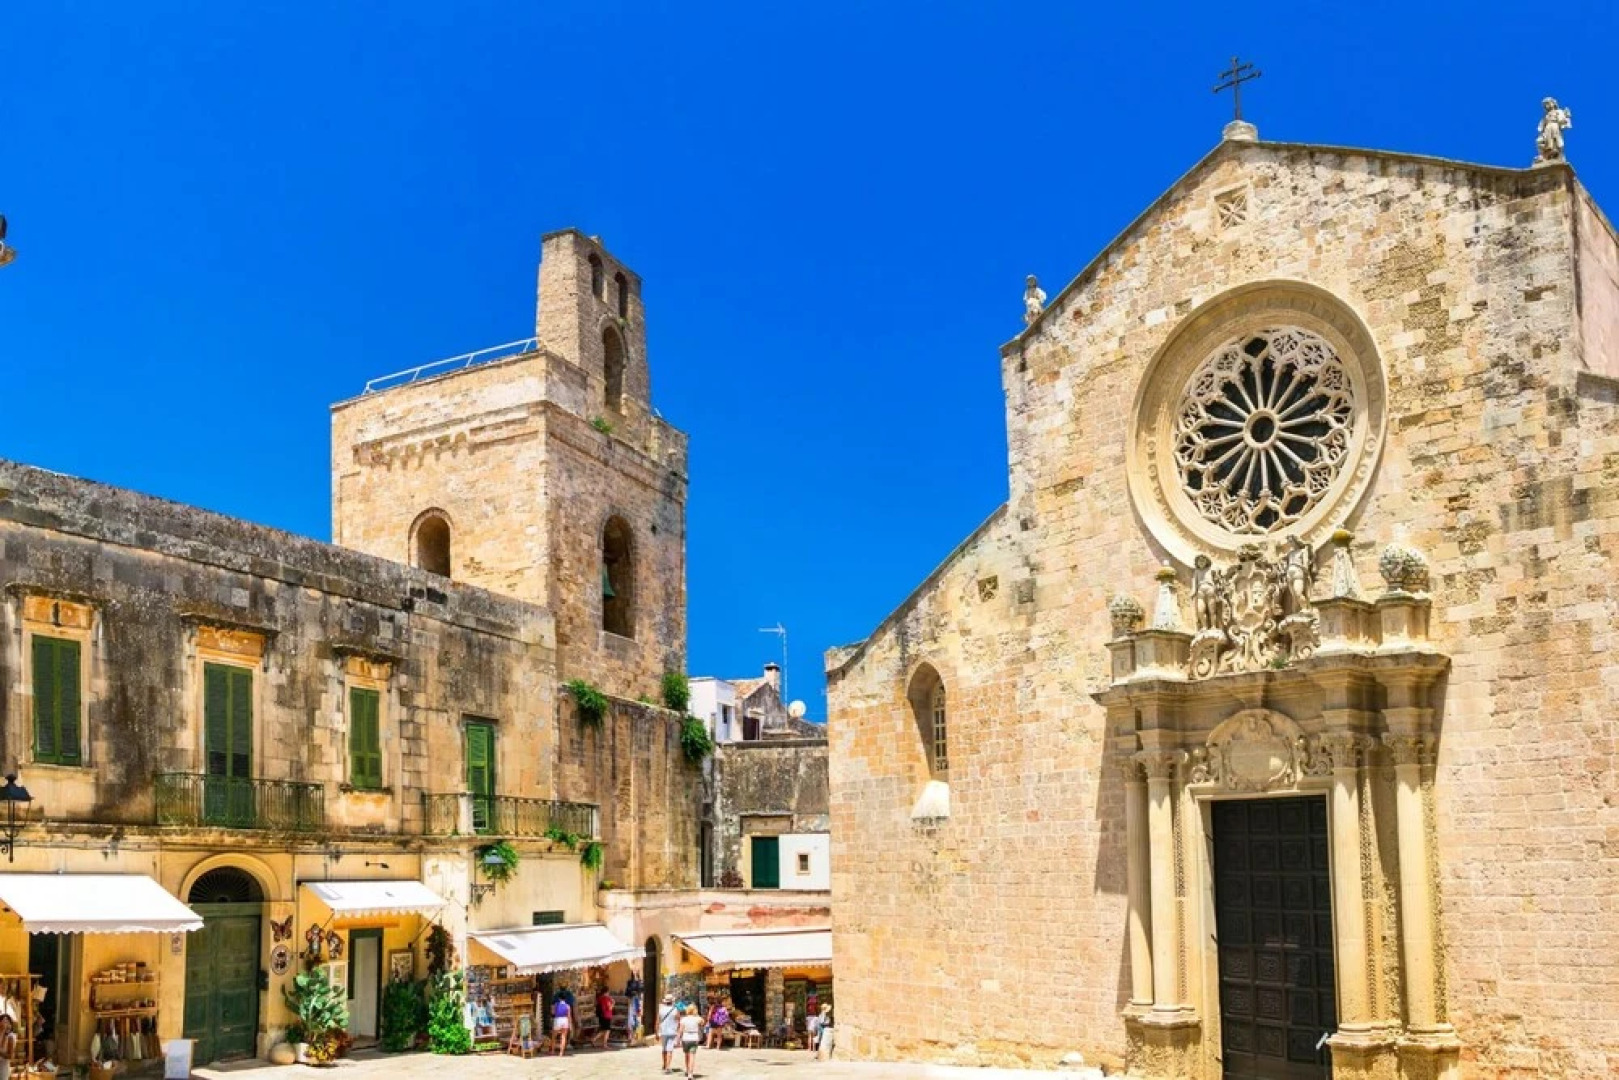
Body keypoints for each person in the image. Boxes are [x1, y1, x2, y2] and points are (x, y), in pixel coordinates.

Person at [677, 1004, 703, 1079]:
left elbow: (680, 1030)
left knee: (686, 1055)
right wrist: (697, 1015)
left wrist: (678, 1039)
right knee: (692, 1056)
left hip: (685, 1038)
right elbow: (702, 1022)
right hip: (694, 1038)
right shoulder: (697, 1018)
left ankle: (687, 1070)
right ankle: (690, 1074)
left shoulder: (684, 1019)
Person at [657, 993, 680, 1074]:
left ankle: (664, 1064)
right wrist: (678, 1031)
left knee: (664, 1049)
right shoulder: (675, 1010)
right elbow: (678, 1020)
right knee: (669, 1050)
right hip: (672, 1032)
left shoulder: (661, 1010)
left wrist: (657, 1032)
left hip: (663, 1031)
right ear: (672, 1001)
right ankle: (667, 1067)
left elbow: (658, 1021)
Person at [0, 1015, 14, 1080]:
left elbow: (10, 1056)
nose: (5, 1024)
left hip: (3, 1066)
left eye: (7, 1022)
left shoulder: (11, 1036)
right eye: (3, 1021)